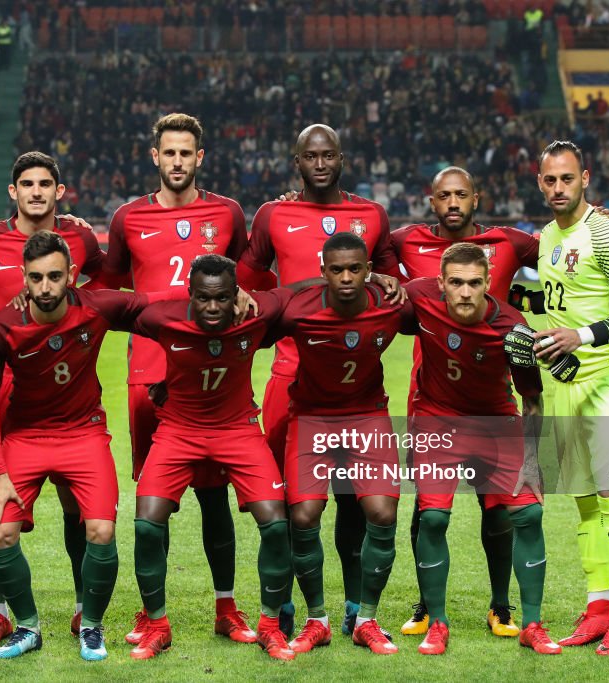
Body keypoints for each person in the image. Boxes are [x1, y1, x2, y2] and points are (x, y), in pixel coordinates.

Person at [0, 232, 170, 662]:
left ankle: (92, 626)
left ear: (72, 276)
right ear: (24, 278)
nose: (45, 287)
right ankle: (27, 626)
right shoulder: (3, 325)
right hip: (25, 437)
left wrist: (225, 294)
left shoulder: (96, 306)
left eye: (55, 277)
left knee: (100, 531)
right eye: (36, 278)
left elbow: (156, 304)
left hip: (83, 433)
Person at [240, 123, 403, 637]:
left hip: (350, 382)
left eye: (328, 155)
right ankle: (288, 605)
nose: (319, 164)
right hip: (290, 372)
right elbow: (247, 280)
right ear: (296, 161)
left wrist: (378, 277)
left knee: (357, 501)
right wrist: (284, 301)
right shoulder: (273, 214)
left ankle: (356, 607)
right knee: (292, 503)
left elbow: (391, 279)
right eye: (310, 156)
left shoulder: (371, 215)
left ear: (341, 158)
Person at [102, 113, 256, 645]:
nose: (176, 162)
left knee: (215, 499)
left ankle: (226, 608)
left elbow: (249, 277)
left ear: (200, 158)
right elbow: (109, 285)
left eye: (185, 153)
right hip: (148, 374)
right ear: (155, 157)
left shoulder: (228, 214)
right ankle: (153, 613)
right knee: (154, 502)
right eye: (168, 153)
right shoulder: (127, 218)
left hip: (212, 375)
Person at [0, 151, 105, 646]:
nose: (36, 191)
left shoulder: (79, 237)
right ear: (13, 191)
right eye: (27, 184)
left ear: (60, 191)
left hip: (63, 384)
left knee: (75, 504)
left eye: (45, 184)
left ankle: (85, 608)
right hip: (1, 390)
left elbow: (103, 283)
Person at [388, 166, 540, 638]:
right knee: (428, 512)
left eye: (461, 195)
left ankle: (503, 606)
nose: (453, 202)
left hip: (493, 409)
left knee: (502, 510)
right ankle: (429, 609)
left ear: (476, 198)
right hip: (431, 400)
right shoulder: (407, 247)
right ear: (431, 201)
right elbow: (368, 261)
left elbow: (557, 248)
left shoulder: (508, 266)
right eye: (443, 195)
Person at [126, 254, 296, 661]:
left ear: (235, 295)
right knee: (148, 525)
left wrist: (378, 277)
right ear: (190, 295)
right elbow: (107, 307)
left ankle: (268, 628)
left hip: (237, 429)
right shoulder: (163, 318)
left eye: (222, 298)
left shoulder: (256, 315)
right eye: (203, 299)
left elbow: (302, 290)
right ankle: (157, 625)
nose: (213, 308)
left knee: (275, 525)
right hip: (178, 431)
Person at [403, 243, 557, 656]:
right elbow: (367, 293)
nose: (466, 292)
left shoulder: (513, 326)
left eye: (475, 283)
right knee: (432, 518)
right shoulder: (418, 296)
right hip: (437, 420)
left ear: (489, 283)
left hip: (496, 424)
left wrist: (530, 459)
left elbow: (533, 400)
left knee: (530, 512)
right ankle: (437, 622)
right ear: (441, 284)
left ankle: (532, 624)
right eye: (456, 283)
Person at [534, 140, 609, 655]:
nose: (558, 188)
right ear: (540, 183)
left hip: (608, 380)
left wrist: (579, 337)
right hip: (563, 382)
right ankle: (598, 607)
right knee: (583, 505)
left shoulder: (607, 232)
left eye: (566, 179)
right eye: (549, 180)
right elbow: (557, 297)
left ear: (585, 179)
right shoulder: (544, 236)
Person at [273, 233, 404, 654]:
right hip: (311, 418)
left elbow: (444, 297)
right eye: (336, 270)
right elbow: (255, 312)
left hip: (368, 416)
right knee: (305, 515)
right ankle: (318, 621)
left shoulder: (392, 303)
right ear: (323, 271)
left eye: (355, 269)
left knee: (381, 511)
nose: (346, 278)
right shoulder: (300, 308)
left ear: (368, 270)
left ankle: (366, 618)